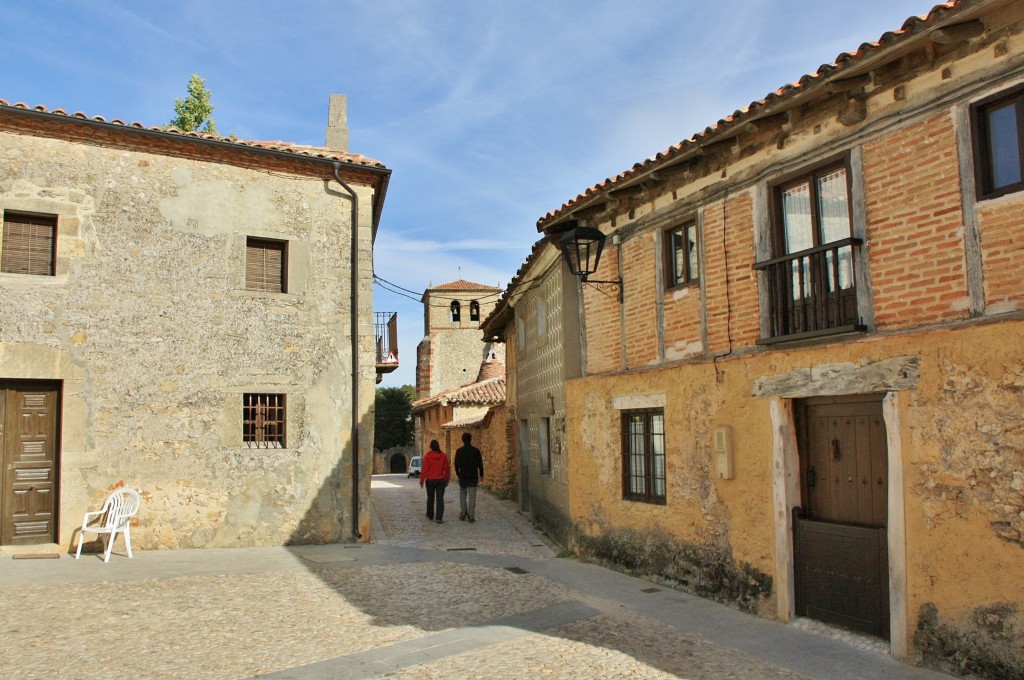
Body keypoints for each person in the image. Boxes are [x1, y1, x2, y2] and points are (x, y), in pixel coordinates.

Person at [454, 432, 484, 522]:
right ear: (471, 439)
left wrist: (458, 474)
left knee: (462, 494)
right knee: (472, 496)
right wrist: (481, 474)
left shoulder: (459, 451)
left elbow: (456, 464)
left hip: (463, 476)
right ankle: (471, 515)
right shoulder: (476, 451)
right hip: (473, 476)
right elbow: (480, 464)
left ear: (462, 440)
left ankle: (463, 513)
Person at [420, 439, 450, 523]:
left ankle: (430, 515)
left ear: (430, 447)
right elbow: (447, 469)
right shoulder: (443, 456)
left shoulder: (428, 456)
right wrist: (447, 479)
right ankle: (439, 517)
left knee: (430, 498)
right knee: (440, 499)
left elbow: (425, 469)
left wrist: (421, 481)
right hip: (440, 480)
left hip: (430, 480)